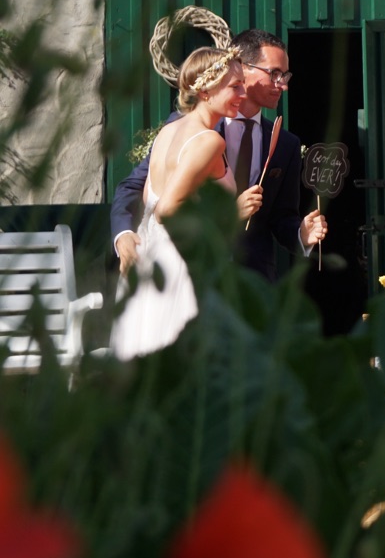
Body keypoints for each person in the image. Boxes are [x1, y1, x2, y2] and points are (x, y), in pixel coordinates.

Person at [113, 29, 326, 280]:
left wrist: (301, 234)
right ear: (243, 68)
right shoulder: (188, 130)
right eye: (274, 74)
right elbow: (136, 186)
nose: (284, 85)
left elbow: (281, 218)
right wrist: (122, 233)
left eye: (285, 75)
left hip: (251, 280)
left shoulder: (286, 144)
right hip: (191, 271)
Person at [111, 49, 260, 359]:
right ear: (205, 90)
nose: (243, 94)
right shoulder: (209, 141)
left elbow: (149, 199)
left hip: (151, 258)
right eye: (235, 86)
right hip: (183, 268)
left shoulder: (167, 132)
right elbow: (167, 210)